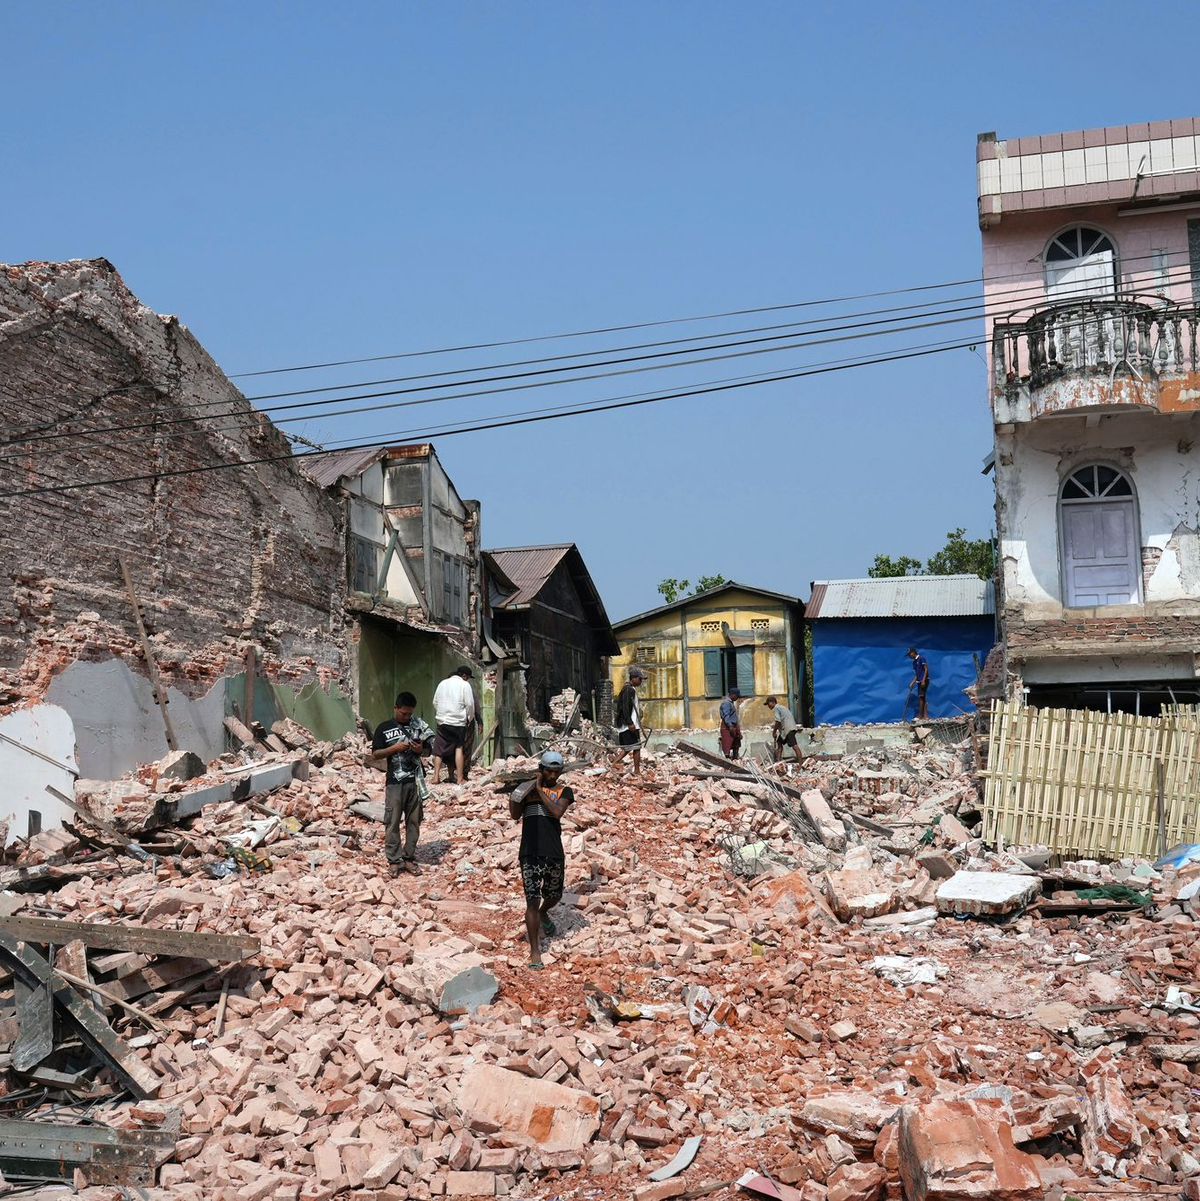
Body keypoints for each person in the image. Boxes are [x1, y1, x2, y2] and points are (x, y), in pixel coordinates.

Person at [509, 750, 574, 969]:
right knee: (532, 900)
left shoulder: (565, 791)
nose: (552, 775)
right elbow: (514, 814)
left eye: (556, 772)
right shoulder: (527, 791)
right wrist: (518, 793)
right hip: (530, 851)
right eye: (549, 771)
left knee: (554, 894)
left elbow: (557, 812)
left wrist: (538, 789)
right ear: (541, 770)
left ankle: (545, 912)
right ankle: (535, 951)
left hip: (553, 851)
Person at [369, 691, 434, 875]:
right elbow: (375, 755)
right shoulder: (383, 728)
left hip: (414, 782)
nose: (406, 717)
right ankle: (394, 860)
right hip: (394, 783)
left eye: (409, 714)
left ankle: (409, 858)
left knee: (414, 822)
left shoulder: (418, 726)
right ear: (395, 708)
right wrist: (394, 748)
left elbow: (430, 749)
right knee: (392, 821)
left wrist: (420, 749)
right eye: (403, 713)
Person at [431, 665, 475, 786]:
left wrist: (442, 713)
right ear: (464, 676)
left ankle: (435, 777)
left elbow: (435, 702)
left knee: (439, 750)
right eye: (468, 678)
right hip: (458, 723)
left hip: (442, 722)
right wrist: (469, 719)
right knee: (459, 748)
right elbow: (470, 704)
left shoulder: (442, 683)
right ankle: (460, 778)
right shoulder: (465, 685)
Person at [612, 668, 644, 775]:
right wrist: (630, 722)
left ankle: (614, 764)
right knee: (635, 747)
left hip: (631, 724)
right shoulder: (628, 690)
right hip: (628, 725)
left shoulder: (630, 689)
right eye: (640, 679)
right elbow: (625, 707)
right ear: (633, 678)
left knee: (630, 747)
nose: (641, 681)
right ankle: (637, 771)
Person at [763, 695, 801, 763]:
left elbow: (778, 721)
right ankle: (778, 761)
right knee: (779, 742)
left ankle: (800, 764)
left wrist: (774, 732)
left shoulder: (776, 708)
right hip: (786, 729)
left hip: (788, 729)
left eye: (768, 704)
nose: (768, 706)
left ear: (772, 702)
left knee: (794, 746)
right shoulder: (781, 707)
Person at [719, 686, 744, 759]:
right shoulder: (726, 703)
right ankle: (727, 760)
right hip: (728, 726)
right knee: (727, 743)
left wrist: (738, 730)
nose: (737, 698)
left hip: (734, 725)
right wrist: (730, 726)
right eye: (737, 696)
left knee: (736, 743)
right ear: (733, 694)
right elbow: (726, 715)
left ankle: (735, 759)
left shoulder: (731, 703)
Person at [907, 648, 930, 721]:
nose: (909, 656)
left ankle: (920, 716)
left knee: (921, 697)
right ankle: (925, 716)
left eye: (910, 654)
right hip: (919, 681)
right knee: (922, 698)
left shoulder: (921, 659)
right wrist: (912, 682)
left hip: (924, 680)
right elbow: (917, 674)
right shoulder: (914, 662)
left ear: (913, 652)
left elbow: (926, 669)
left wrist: (923, 680)